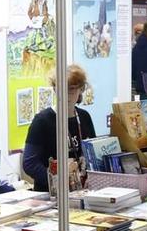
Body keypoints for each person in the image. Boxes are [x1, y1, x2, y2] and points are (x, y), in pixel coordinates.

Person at [22, 64, 94, 192]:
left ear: (81, 89)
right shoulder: (42, 120)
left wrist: (91, 177)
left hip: (81, 190)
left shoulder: (84, 117)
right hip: (50, 194)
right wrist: (58, 181)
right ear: (55, 89)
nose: (66, 94)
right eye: (61, 89)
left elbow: (92, 155)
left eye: (71, 89)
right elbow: (29, 164)